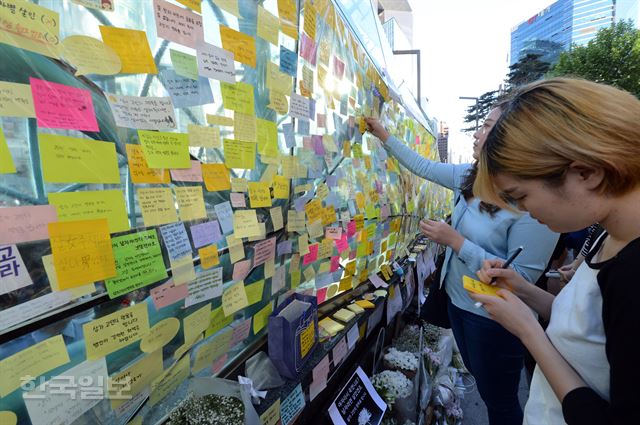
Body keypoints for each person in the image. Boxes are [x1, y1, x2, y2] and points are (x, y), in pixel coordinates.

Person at [365, 112, 558, 425]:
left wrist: (456, 242)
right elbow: (422, 166)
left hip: (493, 318)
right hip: (456, 302)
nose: (476, 134)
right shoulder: (471, 176)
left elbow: (521, 279)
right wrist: (383, 136)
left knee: (500, 401)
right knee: (485, 387)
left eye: (486, 127)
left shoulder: (530, 202)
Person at [470, 78, 640, 424]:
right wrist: (522, 290)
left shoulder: (633, 270)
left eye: (520, 195)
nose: (522, 210)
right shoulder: (608, 232)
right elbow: (592, 324)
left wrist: (528, 332)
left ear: (586, 172)